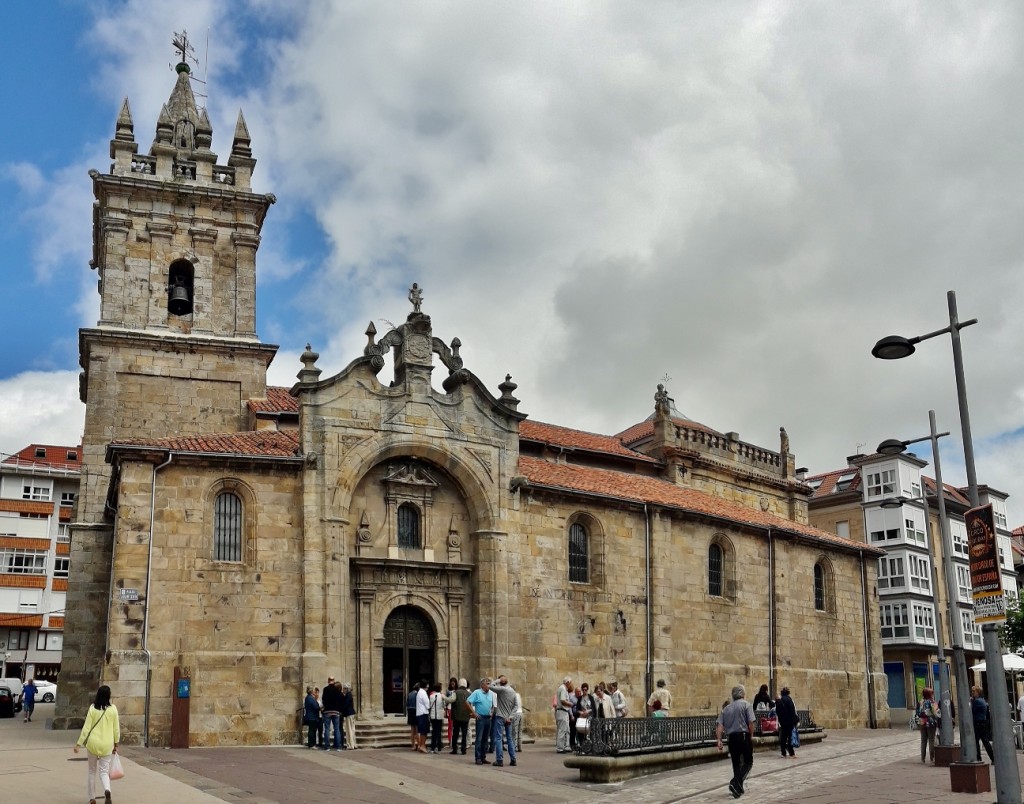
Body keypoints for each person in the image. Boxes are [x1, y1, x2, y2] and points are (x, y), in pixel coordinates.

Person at [74, 684, 120, 804]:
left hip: (93, 744)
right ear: (109, 695)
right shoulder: (113, 709)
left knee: (91, 771)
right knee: (104, 771)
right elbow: (116, 729)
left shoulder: (92, 708)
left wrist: (79, 744)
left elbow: (86, 727)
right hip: (107, 744)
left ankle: (92, 798)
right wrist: (116, 743)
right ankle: (107, 790)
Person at [716, 684, 755, 799]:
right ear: (742, 694)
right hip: (743, 736)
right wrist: (751, 735)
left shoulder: (726, 709)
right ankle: (735, 782)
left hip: (731, 738)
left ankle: (738, 789)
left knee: (736, 764)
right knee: (748, 762)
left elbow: (719, 726)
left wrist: (719, 740)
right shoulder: (747, 705)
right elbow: (751, 722)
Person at [467, 677, 495, 764]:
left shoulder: (491, 693)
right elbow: (467, 702)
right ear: (482, 685)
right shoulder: (477, 692)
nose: (489, 685)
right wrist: (474, 713)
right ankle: (478, 758)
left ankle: (483, 757)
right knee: (479, 738)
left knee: (485, 739)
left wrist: (492, 712)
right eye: (487, 683)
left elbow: (494, 705)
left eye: (489, 683)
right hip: (480, 718)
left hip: (488, 718)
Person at [491, 675, 518, 767]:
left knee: (498, 738)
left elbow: (490, 686)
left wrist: (497, 680)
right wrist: (510, 716)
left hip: (500, 716)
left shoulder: (502, 690)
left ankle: (499, 760)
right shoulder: (513, 691)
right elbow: (516, 706)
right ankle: (513, 759)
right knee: (509, 739)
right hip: (508, 718)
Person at [446, 678, 470, 755]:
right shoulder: (469, 693)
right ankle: (463, 749)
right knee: (464, 733)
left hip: (456, 716)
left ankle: (455, 748)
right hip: (466, 716)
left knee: (455, 733)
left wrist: (444, 697)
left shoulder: (456, 692)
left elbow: (451, 700)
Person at [971, 685, 995, 762]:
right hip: (983, 722)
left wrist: (971, 702)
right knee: (985, 741)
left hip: (977, 722)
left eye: (974, 691)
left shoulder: (977, 701)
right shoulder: (983, 701)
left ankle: (978, 757)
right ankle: (993, 757)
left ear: (978, 692)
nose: (972, 693)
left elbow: (972, 710)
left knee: (976, 741)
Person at [916, 687, 940, 764]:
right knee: (931, 740)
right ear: (930, 694)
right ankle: (932, 758)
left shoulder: (920, 702)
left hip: (922, 722)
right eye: (932, 693)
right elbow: (936, 713)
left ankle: (922, 758)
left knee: (923, 740)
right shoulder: (932, 702)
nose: (933, 695)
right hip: (931, 722)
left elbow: (917, 713)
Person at [321, 677, 345, 750]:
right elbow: (339, 700)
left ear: (328, 681)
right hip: (336, 711)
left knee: (327, 729)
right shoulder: (337, 689)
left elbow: (323, 699)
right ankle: (338, 746)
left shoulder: (325, 689)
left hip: (327, 711)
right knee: (337, 729)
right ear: (334, 681)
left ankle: (327, 746)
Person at [776, 686, 799, 758]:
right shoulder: (789, 700)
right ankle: (791, 753)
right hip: (789, 722)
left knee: (783, 737)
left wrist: (780, 720)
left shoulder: (780, 700)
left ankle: (783, 753)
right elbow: (792, 711)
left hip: (783, 722)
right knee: (790, 737)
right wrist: (796, 720)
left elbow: (778, 712)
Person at [555, 675, 573, 753]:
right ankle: (560, 747)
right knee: (562, 730)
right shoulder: (562, 688)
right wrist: (570, 704)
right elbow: (563, 700)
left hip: (563, 711)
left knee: (566, 730)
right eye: (570, 683)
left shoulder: (563, 688)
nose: (571, 685)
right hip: (562, 711)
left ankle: (566, 746)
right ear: (568, 682)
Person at [429, 682, 446, 753]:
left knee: (433, 732)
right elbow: (444, 705)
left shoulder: (431, 696)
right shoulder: (442, 696)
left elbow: (429, 705)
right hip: (439, 716)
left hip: (433, 715)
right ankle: (439, 747)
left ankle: (432, 747)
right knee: (439, 732)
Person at [415, 678, 431, 753]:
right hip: (423, 713)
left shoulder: (419, 692)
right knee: (424, 731)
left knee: (421, 731)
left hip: (419, 713)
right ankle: (422, 745)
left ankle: (421, 745)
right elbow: (427, 705)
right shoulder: (423, 693)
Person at [341, 683, 358, 749]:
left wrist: (341, 710)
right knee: (352, 729)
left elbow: (346, 705)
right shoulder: (349, 695)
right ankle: (353, 744)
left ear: (346, 689)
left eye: (344, 688)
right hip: (350, 713)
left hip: (349, 714)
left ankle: (350, 745)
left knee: (349, 730)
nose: (343, 690)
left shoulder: (348, 695)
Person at [407, 682, 420, 750]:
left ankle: (413, 745)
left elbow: (407, 703)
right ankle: (418, 744)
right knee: (417, 730)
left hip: (410, 711)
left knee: (412, 730)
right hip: (415, 711)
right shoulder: (417, 694)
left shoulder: (409, 694)